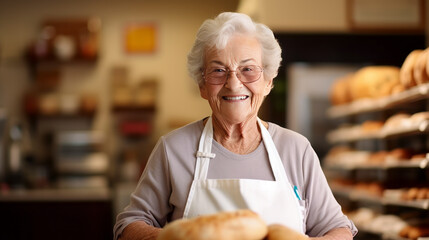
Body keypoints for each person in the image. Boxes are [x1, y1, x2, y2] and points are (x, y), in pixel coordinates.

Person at [114, 12, 357, 240]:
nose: (233, 83)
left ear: (268, 82)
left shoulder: (296, 149)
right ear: (202, 85)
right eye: (218, 70)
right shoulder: (173, 149)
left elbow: (339, 228)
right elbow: (128, 225)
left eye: (248, 70)